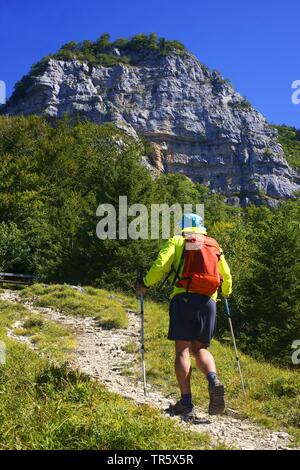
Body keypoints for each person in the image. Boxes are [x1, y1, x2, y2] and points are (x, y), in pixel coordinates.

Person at [136, 213, 232, 419]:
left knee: (183, 349)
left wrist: (145, 284)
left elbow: (161, 265)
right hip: (208, 302)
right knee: (201, 348)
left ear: (183, 227)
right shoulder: (214, 245)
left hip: (184, 299)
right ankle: (213, 379)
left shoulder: (179, 241)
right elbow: (227, 275)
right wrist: (226, 292)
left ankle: (186, 403)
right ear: (202, 228)